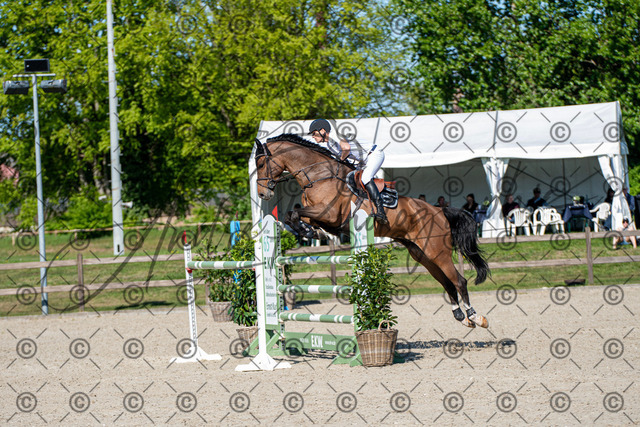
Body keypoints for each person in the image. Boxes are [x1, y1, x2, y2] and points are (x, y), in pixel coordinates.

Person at [308, 118, 388, 224]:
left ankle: (381, 211)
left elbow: (346, 148)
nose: (313, 136)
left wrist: (340, 160)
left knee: (365, 178)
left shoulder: (335, 135)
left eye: (314, 133)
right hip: (362, 161)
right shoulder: (329, 145)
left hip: (374, 154)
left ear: (322, 131)